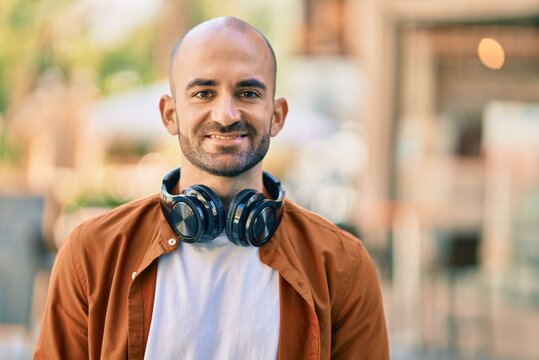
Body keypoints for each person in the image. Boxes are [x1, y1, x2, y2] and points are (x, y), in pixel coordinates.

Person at [34, 16, 389, 359]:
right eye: (204, 93)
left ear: (277, 115)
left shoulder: (342, 265)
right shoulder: (92, 255)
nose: (226, 114)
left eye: (247, 92)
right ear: (170, 114)